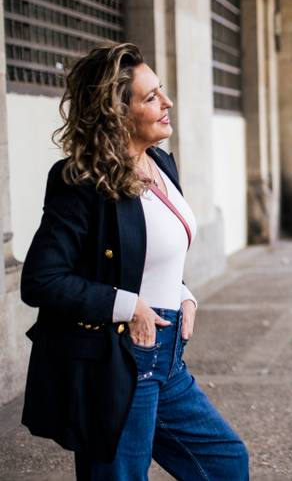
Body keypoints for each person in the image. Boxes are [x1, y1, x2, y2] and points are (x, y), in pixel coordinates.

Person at [20, 42, 249, 480]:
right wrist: (131, 305)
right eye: (150, 97)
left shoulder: (161, 163)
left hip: (167, 358)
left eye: (161, 91)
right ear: (117, 114)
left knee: (225, 463)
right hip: (119, 356)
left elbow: (155, 255)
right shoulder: (81, 180)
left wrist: (182, 293)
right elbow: (42, 280)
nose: (167, 103)